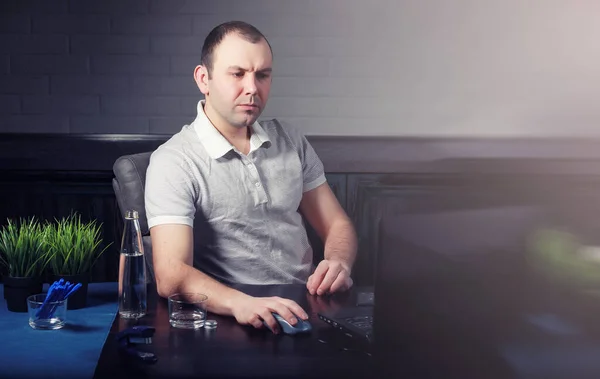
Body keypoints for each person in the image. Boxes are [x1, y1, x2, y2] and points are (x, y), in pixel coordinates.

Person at [145, 21, 358, 334]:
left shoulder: (290, 139)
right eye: (237, 73)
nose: (252, 88)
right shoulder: (174, 160)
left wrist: (339, 262)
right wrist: (240, 303)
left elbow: (337, 224)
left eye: (262, 75)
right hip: (232, 315)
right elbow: (171, 274)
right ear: (204, 79)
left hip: (307, 304)